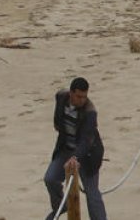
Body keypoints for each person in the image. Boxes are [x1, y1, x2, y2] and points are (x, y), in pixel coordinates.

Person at [45, 77, 107, 220]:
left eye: (85, 97)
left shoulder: (90, 112)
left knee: (92, 194)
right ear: (71, 93)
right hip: (66, 149)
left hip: (88, 155)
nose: (82, 100)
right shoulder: (61, 96)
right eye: (79, 96)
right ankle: (61, 206)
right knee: (50, 179)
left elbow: (87, 140)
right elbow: (58, 117)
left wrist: (76, 157)